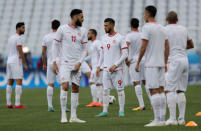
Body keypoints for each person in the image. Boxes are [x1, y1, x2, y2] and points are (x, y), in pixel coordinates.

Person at [135, 5, 169, 127]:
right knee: (160, 90)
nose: (143, 15)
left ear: (148, 14)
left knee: (153, 90)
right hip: (160, 63)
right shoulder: (162, 27)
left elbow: (143, 46)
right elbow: (167, 46)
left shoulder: (147, 27)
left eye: (144, 13)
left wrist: (138, 62)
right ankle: (162, 119)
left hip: (151, 64)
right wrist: (165, 62)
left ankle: (157, 120)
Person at [52, 9, 88, 123]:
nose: (83, 19)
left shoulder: (83, 30)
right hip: (65, 63)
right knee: (65, 85)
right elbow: (55, 45)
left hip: (77, 64)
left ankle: (73, 117)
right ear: (75, 17)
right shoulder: (62, 29)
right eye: (81, 17)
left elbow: (85, 49)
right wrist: (54, 61)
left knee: (76, 88)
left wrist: (80, 62)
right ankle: (63, 116)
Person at [165, 11, 194, 126]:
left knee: (169, 89)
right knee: (180, 90)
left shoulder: (165, 29)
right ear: (177, 19)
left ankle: (172, 118)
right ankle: (181, 119)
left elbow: (163, 46)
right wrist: (181, 48)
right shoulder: (183, 29)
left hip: (173, 61)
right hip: (184, 60)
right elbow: (191, 45)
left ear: (167, 20)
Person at [96, 18, 128, 117]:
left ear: (112, 25)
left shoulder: (120, 37)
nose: (104, 27)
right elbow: (102, 53)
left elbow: (125, 54)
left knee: (120, 89)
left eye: (106, 25)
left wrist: (115, 64)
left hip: (117, 70)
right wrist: (98, 65)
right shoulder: (103, 37)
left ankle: (121, 111)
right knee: (105, 90)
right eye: (104, 25)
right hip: (106, 69)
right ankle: (105, 111)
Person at [125, 18, 149, 111]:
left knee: (136, 82)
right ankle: (152, 103)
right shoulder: (142, 34)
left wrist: (126, 60)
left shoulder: (129, 36)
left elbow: (125, 47)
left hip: (134, 61)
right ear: (138, 25)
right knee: (146, 82)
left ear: (131, 25)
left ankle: (141, 105)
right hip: (144, 60)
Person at [6, 22, 28, 109]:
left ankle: (8, 104)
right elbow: (20, 51)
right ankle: (18, 104)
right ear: (18, 28)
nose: (24, 29)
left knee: (10, 82)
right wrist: (25, 63)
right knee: (19, 82)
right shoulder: (18, 38)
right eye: (23, 28)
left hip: (9, 61)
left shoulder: (11, 37)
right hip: (16, 61)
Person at [42, 19, 60, 112]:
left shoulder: (46, 37)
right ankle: (64, 106)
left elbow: (43, 52)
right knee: (63, 84)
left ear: (51, 26)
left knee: (50, 84)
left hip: (49, 62)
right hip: (60, 62)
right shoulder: (61, 36)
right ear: (59, 27)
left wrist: (44, 64)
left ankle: (50, 106)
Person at [86, 29, 103, 107]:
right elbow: (91, 56)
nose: (87, 35)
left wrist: (99, 66)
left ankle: (94, 101)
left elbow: (102, 53)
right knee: (98, 84)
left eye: (89, 33)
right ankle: (100, 102)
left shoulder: (97, 42)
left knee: (91, 82)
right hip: (95, 66)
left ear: (93, 34)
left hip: (97, 67)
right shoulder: (92, 44)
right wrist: (82, 60)